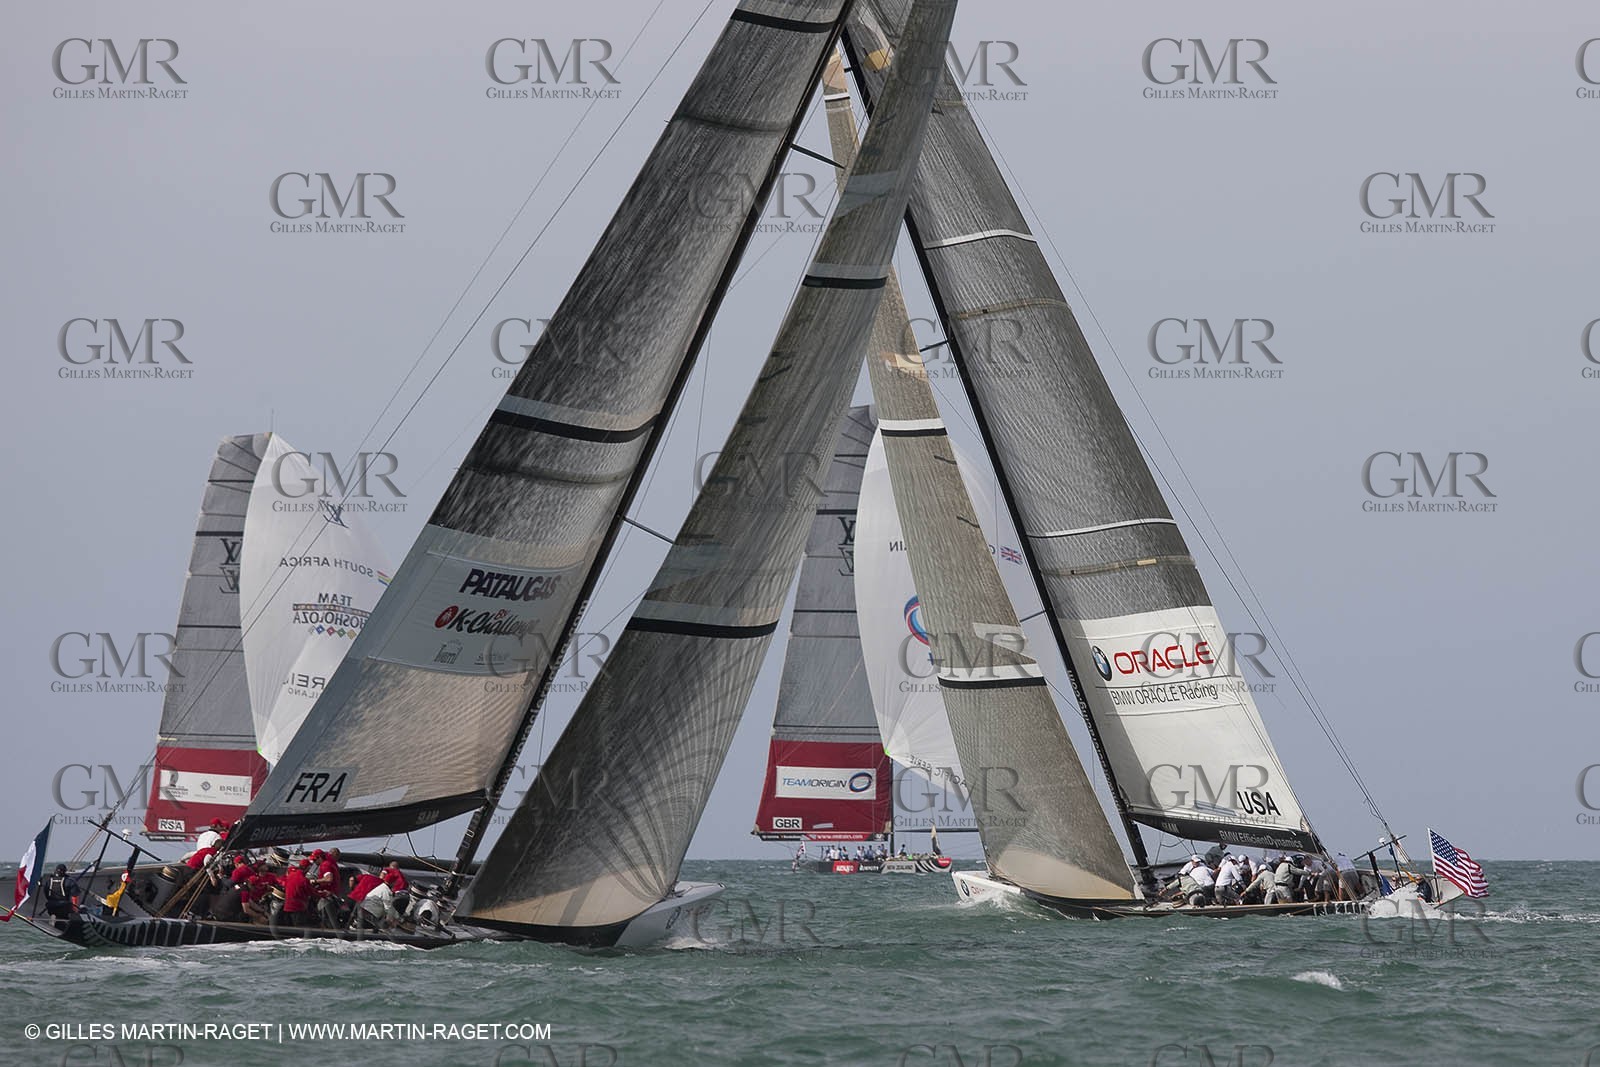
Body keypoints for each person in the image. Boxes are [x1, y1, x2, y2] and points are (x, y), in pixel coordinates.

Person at [314, 848, 345, 927]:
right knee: (332, 921)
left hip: (326, 896)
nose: (314, 862)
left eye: (315, 860)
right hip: (333, 895)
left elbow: (328, 879)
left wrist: (314, 881)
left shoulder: (325, 864)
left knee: (328, 922)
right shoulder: (332, 864)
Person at [279, 860, 313, 927]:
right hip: (298, 908)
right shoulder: (304, 880)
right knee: (299, 930)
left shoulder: (290, 876)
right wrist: (322, 894)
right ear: (307, 868)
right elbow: (311, 892)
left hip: (287, 908)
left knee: (290, 929)